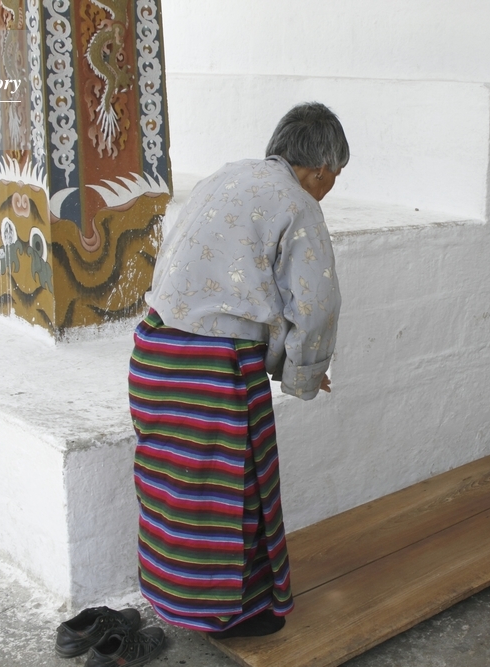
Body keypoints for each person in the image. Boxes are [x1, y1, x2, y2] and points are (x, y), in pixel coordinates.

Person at [128, 102, 347, 641]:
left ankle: (170, 599)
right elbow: (316, 304)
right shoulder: (297, 203)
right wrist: (303, 372)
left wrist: (283, 362)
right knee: (230, 494)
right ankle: (228, 616)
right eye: (335, 176)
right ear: (320, 169)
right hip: (212, 371)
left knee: (173, 489)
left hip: (155, 351)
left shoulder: (224, 175)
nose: (331, 187)